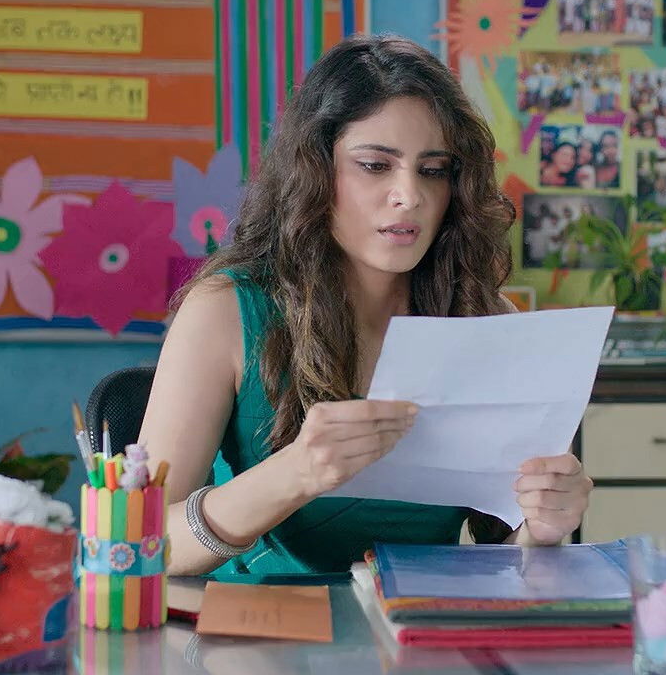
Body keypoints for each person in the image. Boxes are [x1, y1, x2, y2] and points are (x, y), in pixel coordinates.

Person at [139, 35, 594, 577]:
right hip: (258, 622)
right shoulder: (223, 311)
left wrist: (540, 529)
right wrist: (296, 473)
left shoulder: (488, 320)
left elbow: (502, 563)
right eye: (376, 165)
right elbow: (140, 543)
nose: (410, 195)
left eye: (433, 170)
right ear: (315, 171)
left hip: (421, 622)